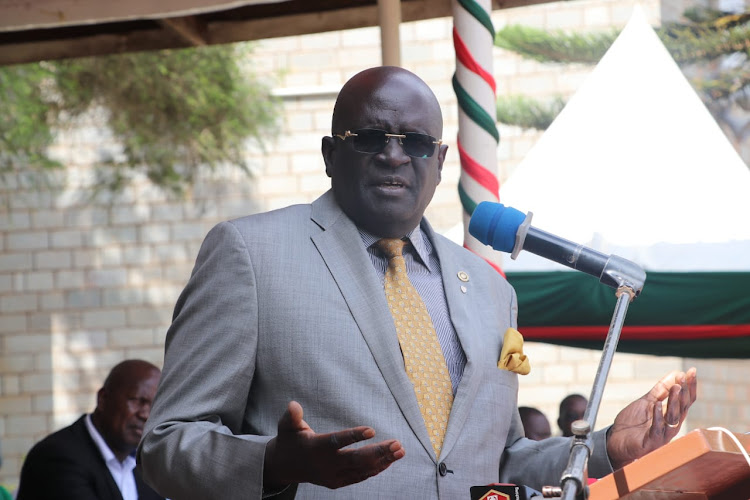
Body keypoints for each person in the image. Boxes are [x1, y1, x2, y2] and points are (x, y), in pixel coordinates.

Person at [138, 66, 698, 499]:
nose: (393, 155)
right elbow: (164, 445)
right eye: (370, 137)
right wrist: (273, 464)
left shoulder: (488, 288)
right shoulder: (251, 254)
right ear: (332, 154)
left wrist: (606, 448)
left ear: (440, 160)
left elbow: (495, 463)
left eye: (415, 143)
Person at [17, 359, 163, 500]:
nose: (145, 415)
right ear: (103, 399)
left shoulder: (142, 464)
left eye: (154, 406)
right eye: (137, 400)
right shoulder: (57, 457)